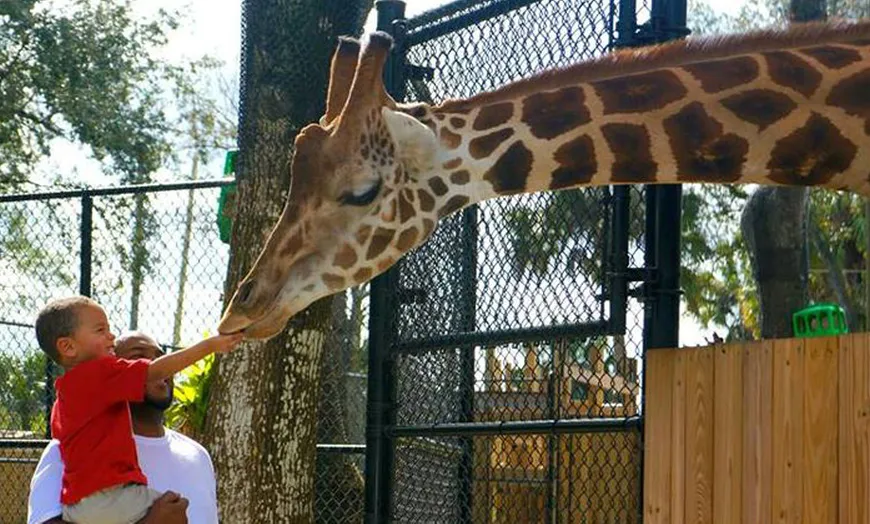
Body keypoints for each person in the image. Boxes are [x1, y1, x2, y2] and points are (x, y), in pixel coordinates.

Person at [27, 296, 242, 524]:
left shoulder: (197, 455)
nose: (156, 365)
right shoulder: (62, 452)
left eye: (160, 358)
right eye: (136, 359)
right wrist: (211, 345)